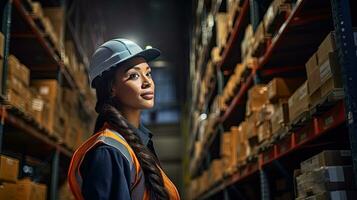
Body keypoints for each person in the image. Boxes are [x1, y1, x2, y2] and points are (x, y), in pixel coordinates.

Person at [68, 39, 180, 200]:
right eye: (134, 76)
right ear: (111, 87)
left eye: (148, 73)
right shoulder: (108, 152)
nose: (147, 82)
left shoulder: (136, 143)